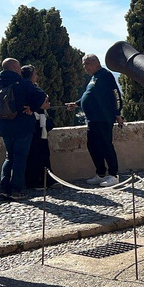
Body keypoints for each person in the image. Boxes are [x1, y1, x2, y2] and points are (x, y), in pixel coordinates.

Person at [0, 58, 49, 201]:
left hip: (4, 125)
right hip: (22, 125)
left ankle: (4, 189)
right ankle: (16, 190)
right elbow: (41, 96)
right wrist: (31, 108)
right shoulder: (23, 83)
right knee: (20, 157)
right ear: (15, 67)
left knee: (9, 156)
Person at [66, 54, 125, 187]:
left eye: (87, 64)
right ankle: (101, 173)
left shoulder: (105, 75)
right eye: (83, 65)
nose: (85, 67)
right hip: (92, 119)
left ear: (96, 62)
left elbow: (115, 94)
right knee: (92, 145)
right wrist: (76, 104)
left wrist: (117, 113)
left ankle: (113, 175)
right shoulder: (94, 78)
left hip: (104, 118)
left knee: (106, 145)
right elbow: (90, 95)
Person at [21, 65, 59, 189]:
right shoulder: (28, 88)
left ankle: (48, 179)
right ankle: (34, 181)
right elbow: (41, 103)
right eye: (35, 74)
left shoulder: (32, 88)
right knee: (35, 154)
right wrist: (43, 103)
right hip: (34, 125)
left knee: (43, 153)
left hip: (40, 125)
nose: (37, 76)